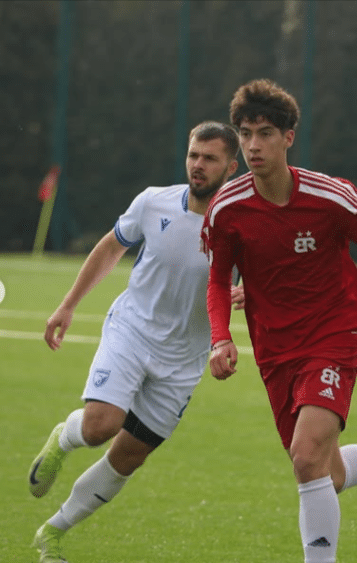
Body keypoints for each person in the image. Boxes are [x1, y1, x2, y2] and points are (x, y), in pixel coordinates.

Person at [201, 79, 357, 563]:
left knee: (305, 455)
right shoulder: (227, 209)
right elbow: (217, 279)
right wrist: (219, 338)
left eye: (265, 133)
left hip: (336, 332)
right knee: (324, 472)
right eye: (245, 134)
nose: (253, 145)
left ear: (288, 137)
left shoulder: (332, 196)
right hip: (275, 348)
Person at [28, 121, 241, 563]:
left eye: (210, 158)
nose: (198, 165)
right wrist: (68, 305)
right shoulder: (153, 201)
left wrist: (250, 293)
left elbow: (268, 279)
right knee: (99, 427)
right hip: (133, 332)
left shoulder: (244, 225)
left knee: (128, 457)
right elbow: (110, 248)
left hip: (185, 359)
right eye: (193, 155)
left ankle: (53, 533)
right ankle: (64, 438)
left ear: (231, 167)